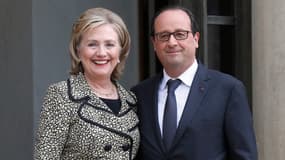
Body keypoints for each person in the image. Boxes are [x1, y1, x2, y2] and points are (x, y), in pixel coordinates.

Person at [131, 5, 258, 160]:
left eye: (180, 34)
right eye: (164, 35)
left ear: (196, 39)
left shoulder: (228, 90)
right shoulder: (140, 94)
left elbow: (244, 156)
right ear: (154, 43)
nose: (172, 42)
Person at [34, 7, 139, 160]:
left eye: (109, 44)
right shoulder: (62, 95)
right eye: (92, 44)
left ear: (120, 52)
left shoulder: (131, 100)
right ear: (78, 51)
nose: (101, 53)